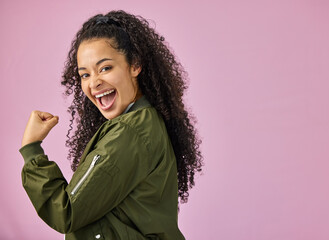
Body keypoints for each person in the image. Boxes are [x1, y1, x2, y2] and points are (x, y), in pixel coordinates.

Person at [20, 10, 203, 240]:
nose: (94, 82)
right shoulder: (144, 121)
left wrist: (31, 149)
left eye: (105, 68)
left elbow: (65, 211)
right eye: (84, 75)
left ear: (135, 65)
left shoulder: (129, 132)